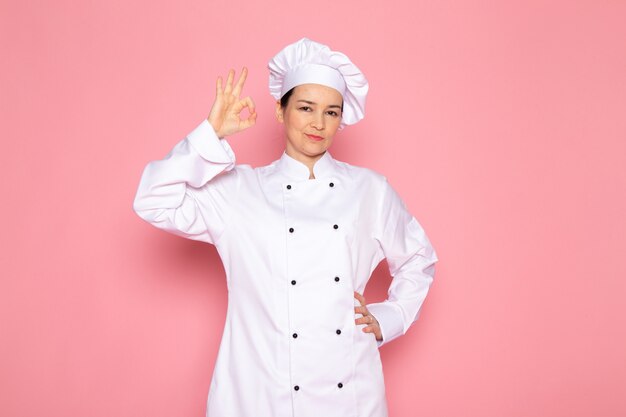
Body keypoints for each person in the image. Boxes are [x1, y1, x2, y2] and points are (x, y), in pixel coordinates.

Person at [133, 38, 438, 417]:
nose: (318, 123)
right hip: (259, 390)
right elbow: (152, 200)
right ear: (281, 110)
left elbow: (418, 258)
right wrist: (210, 136)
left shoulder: (369, 190)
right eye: (306, 108)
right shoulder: (239, 190)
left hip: (349, 391)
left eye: (331, 112)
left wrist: (390, 317)